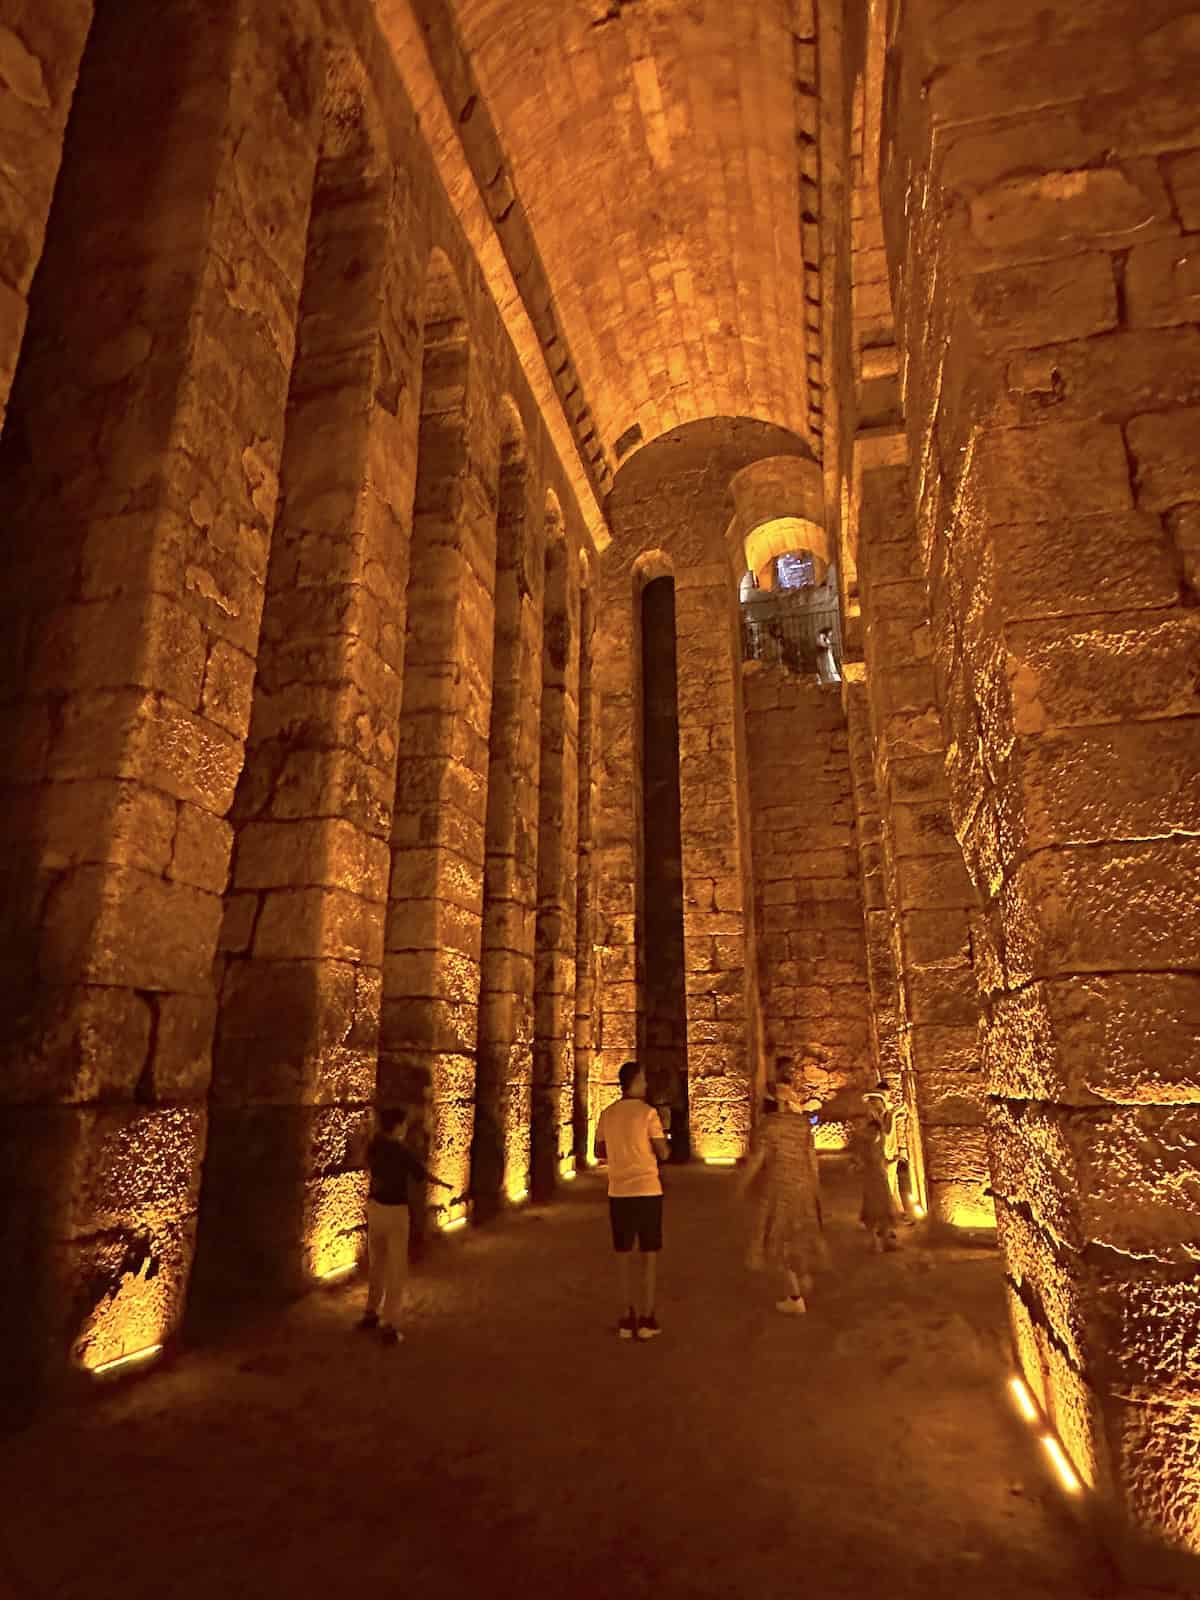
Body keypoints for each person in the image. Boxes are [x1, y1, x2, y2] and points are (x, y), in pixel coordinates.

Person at [739, 1062, 828, 1313]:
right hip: (804, 1188)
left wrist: (741, 1185)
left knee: (779, 1241)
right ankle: (803, 1277)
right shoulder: (803, 1126)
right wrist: (816, 1188)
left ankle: (795, 1295)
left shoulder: (770, 1126)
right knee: (800, 1234)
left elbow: (757, 1161)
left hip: (778, 1189)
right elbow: (812, 1160)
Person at [358, 1107, 451, 1345]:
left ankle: (371, 1312)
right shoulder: (402, 1151)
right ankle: (389, 1323)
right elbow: (421, 1174)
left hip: (375, 1208)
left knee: (377, 1262)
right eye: (404, 1124)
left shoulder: (374, 1146)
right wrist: (443, 1184)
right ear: (398, 1125)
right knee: (396, 1267)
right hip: (396, 1211)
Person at [594, 1060, 670, 1341]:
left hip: (620, 1191)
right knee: (649, 1256)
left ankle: (627, 1318)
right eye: (643, 1080)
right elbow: (663, 1153)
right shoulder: (648, 1114)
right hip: (648, 1190)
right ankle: (648, 1318)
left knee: (623, 1256)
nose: (646, 1084)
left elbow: (599, 1151)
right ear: (635, 1081)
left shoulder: (607, 1114)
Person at [857, 1091, 901, 1251]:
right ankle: (877, 1241)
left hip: (878, 1167)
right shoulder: (872, 1125)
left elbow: (881, 1139)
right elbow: (869, 1145)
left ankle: (884, 1239)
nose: (871, 1104)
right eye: (870, 1101)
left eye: (874, 1101)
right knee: (876, 1203)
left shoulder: (880, 1121)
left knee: (882, 1202)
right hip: (874, 1170)